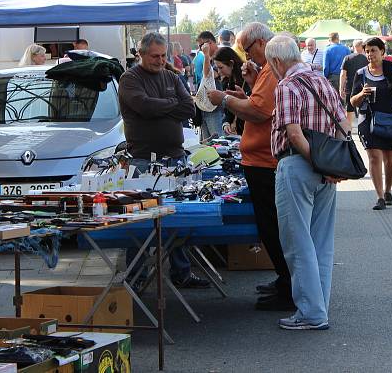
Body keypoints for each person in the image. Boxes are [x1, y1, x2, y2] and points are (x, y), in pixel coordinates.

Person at [207, 22, 293, 311]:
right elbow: (261, 104)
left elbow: (259, 111)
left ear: (260, 44)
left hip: (265, 161)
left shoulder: (270, 68)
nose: (245, 56)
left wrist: (226, 100)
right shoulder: (266, 70)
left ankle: (288, 285)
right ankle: (285, 281)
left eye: (246, 49)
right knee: (271, 226)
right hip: (262, 158)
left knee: (273, 227)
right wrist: (248, 90)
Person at [267, 34, 348, 330]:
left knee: (297, 242)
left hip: (297, 166)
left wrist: (317, 162)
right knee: (321, 243)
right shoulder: (321, 80)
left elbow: (294, 134)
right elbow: (343, 123)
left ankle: (311, 313)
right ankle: (318, 308)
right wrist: (332, 165)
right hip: (325, 170)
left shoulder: (287, 85)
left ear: (277, 61)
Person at [117, 32, 210, 287]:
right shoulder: (129, 79)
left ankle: (182, 272)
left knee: (177, 217)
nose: (160, 61)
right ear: (141, 54)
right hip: (143, 161)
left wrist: (161, 107)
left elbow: (189, 109)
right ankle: (136, 276)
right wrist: (171, 105)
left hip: (175, 158)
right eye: (154, 56)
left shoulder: (171, 76)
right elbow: (143, 106)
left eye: (162, 56)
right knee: (141, 218)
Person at [351, 37, 392, 210]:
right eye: (367, 51)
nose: (370, 54)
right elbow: (353, 101)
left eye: (373, 50)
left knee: (390, 159)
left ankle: (388, 190)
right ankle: (379, 197)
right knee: (374, 157)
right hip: (368, 120)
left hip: (390, 120)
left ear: (383, 52)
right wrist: (362, 94)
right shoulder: (361, 74)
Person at [195, 31, 224, 141]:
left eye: (202, 45)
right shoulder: (209, 58)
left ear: (210, 42)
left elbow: (209, 74)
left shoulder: (220, 55)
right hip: (206, 106)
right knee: (207, 144)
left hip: (215, 108)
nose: (200, 48)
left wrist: (206, 55)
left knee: (218, 142)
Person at [212, 46, 249, 135]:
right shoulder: (227, 81)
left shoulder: (248, 79)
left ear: (231, 64)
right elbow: (228, 110)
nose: (219, 72)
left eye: (221, 67)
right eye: (217, 68)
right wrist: (226, 123)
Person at [340, 41, 368, 126]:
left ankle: (348, 132)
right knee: (364, 110)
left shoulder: (347, 58)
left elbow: (343, 74)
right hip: (363, 87)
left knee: (349, 110)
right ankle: (363, 128)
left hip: (350, 87)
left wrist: (341, 89)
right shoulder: (367, 58)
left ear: (353, 46)